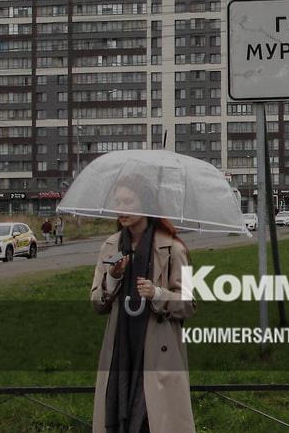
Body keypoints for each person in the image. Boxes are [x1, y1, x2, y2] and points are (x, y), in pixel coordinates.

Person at [91, 175, 195, 433]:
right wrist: (113, 277)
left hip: (157, 353)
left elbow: (189, 304)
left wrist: (157, 293)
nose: (121, 209)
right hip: (120, 350)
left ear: (146, 204)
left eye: (128, 202)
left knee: (153, 421)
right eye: (118, 202)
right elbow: (97, 303)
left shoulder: (173, 249)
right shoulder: (110, 247)